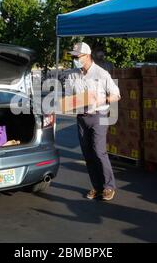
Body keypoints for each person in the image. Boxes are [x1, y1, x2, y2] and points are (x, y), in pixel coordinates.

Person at [66, 42, 121, 201]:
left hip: (99, 116)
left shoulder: (101, 73)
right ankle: (97, 187)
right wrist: (69, 104)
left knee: (98, 151)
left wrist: (102, 99)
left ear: (87, 56)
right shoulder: (72, 75)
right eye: (73, 56)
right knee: (88, 154)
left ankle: (109, 186)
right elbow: (69, 98)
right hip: (81, 118)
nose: (75, 59)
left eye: (77, 56)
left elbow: (116, 95)